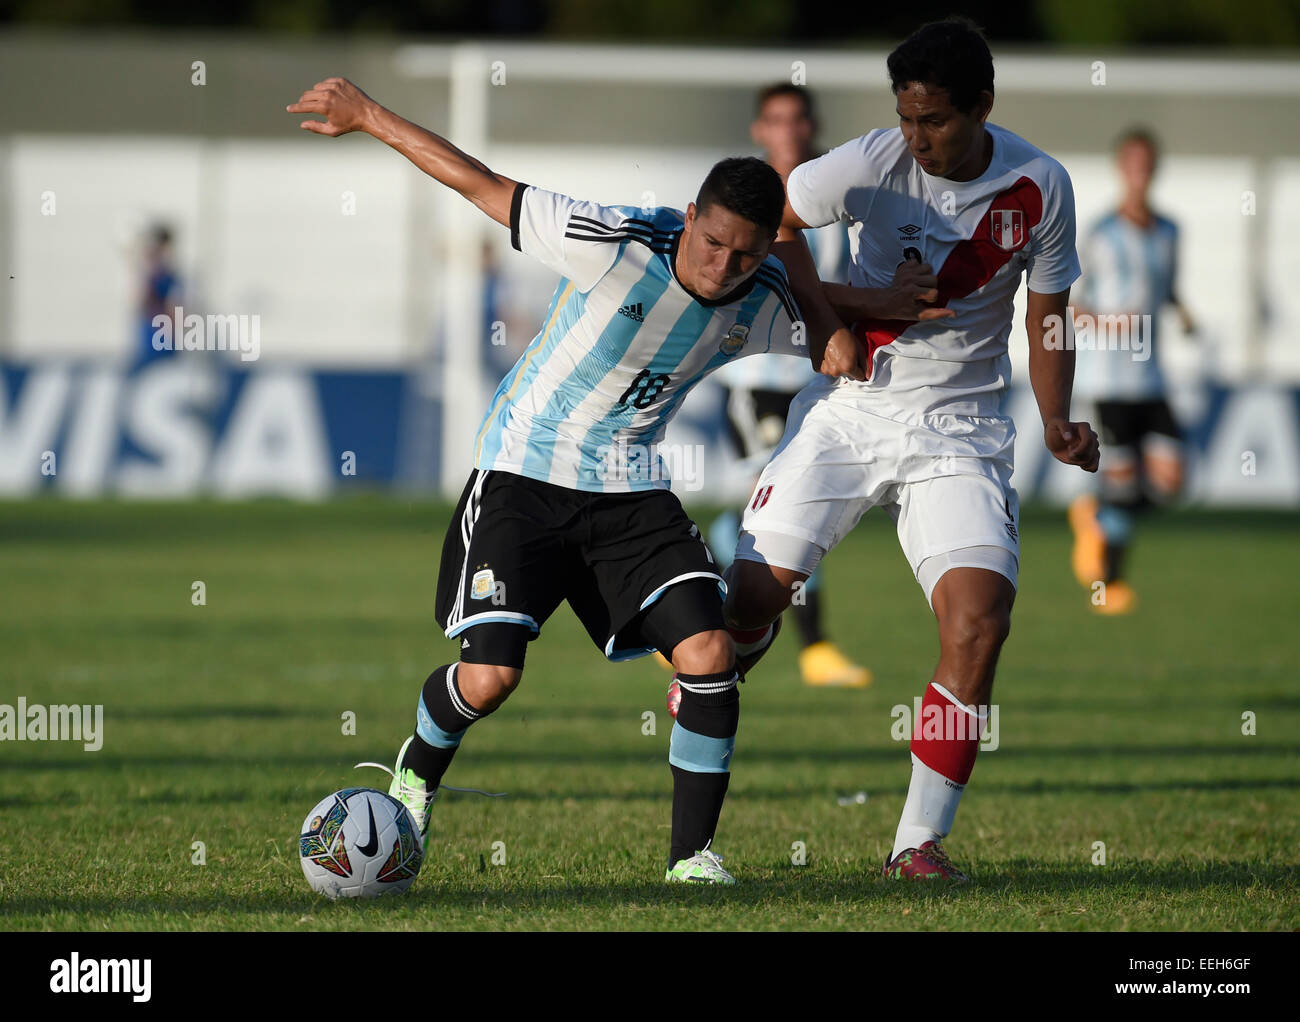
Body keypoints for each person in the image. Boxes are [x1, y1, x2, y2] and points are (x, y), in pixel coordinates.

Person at [288, 77, 804, 884]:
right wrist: (369, 117)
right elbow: (480, 183)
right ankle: (415, 778)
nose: (722, 266)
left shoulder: (761, 296)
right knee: (491, 677)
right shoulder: (612, 241)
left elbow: (842, 322)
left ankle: (692, 863)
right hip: (524, 475)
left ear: (768, 249)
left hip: (631, 491)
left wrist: (882, 313)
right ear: (691, 217)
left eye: (746, 254)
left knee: (709, 654)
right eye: (712, 243)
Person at [721, 18, 1100, 882]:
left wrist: (1054, 419)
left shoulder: (1040, 185)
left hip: (959, 432)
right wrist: (829, 324)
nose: (916, 138)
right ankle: (725, 664)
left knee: (978, 624)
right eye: (906, 118)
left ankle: (916, 844)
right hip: (851, 413)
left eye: (935, 121)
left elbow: (1048, 313)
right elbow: (775, 219)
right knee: (747, 603)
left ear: (983, 107)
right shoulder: (865, 163)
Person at [708, 83, 871, 690]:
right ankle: (816, 648)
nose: (787, 130)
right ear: (759, 130)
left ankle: (693, 593)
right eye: (775, 120)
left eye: (797, 119)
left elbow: (837, 278)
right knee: (790, 510)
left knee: (768, 515)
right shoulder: (745, 198)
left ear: (811, 125)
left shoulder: (836, 194)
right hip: (760, 381)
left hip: (816, 376)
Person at [1067, 128, 1196, 614]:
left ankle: (1092, 514)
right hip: (1111, 380)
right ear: (1121, 169)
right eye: (1132, 163)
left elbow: (1167, 290)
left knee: (1169, 483)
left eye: (1147, 163)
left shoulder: (1170, 232)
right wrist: (1108, 323)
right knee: (1123, 485)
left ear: (1154, 169)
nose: (1140, 172)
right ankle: (1112, 586)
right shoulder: (1102, 233)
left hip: (1153, 379)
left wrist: (1183, 312)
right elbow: (1072, 305)